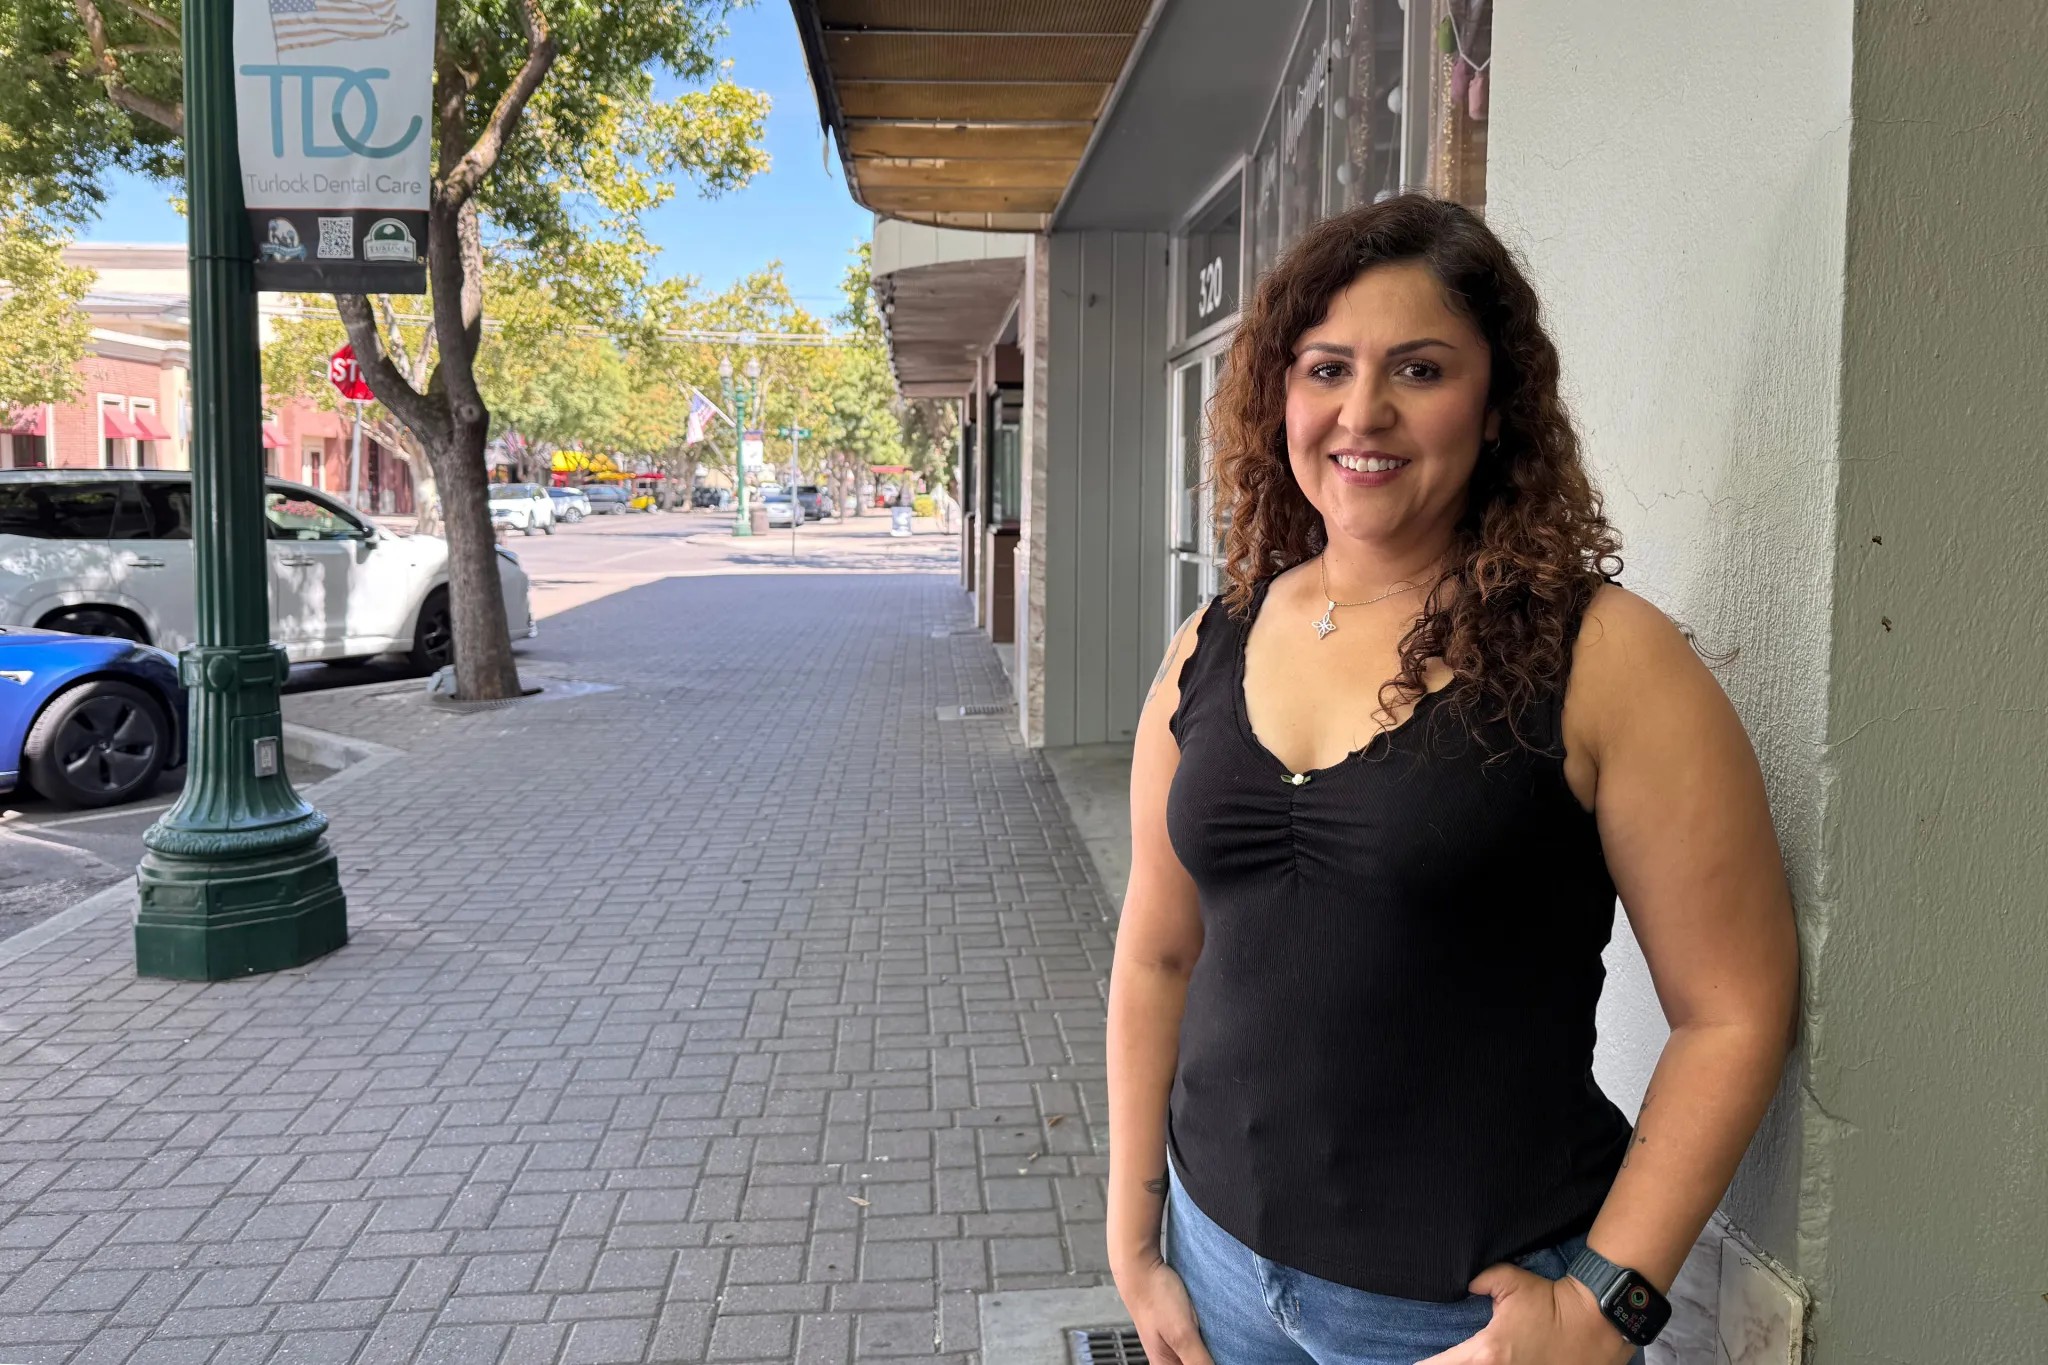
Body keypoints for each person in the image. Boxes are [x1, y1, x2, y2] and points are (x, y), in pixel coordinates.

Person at [1107, 196, 1799, 1365]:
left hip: (1459, 1322)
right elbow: (1157, 954)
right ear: (1280, 396)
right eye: (1325, 368)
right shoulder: (1208, 642)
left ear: (1494, 408)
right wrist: (1134, 1240)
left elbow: (1731, 1009)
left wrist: (1602, 1310)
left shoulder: (1603, 657)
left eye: (1418, 370)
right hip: (1215, 1266)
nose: (1361, 413)